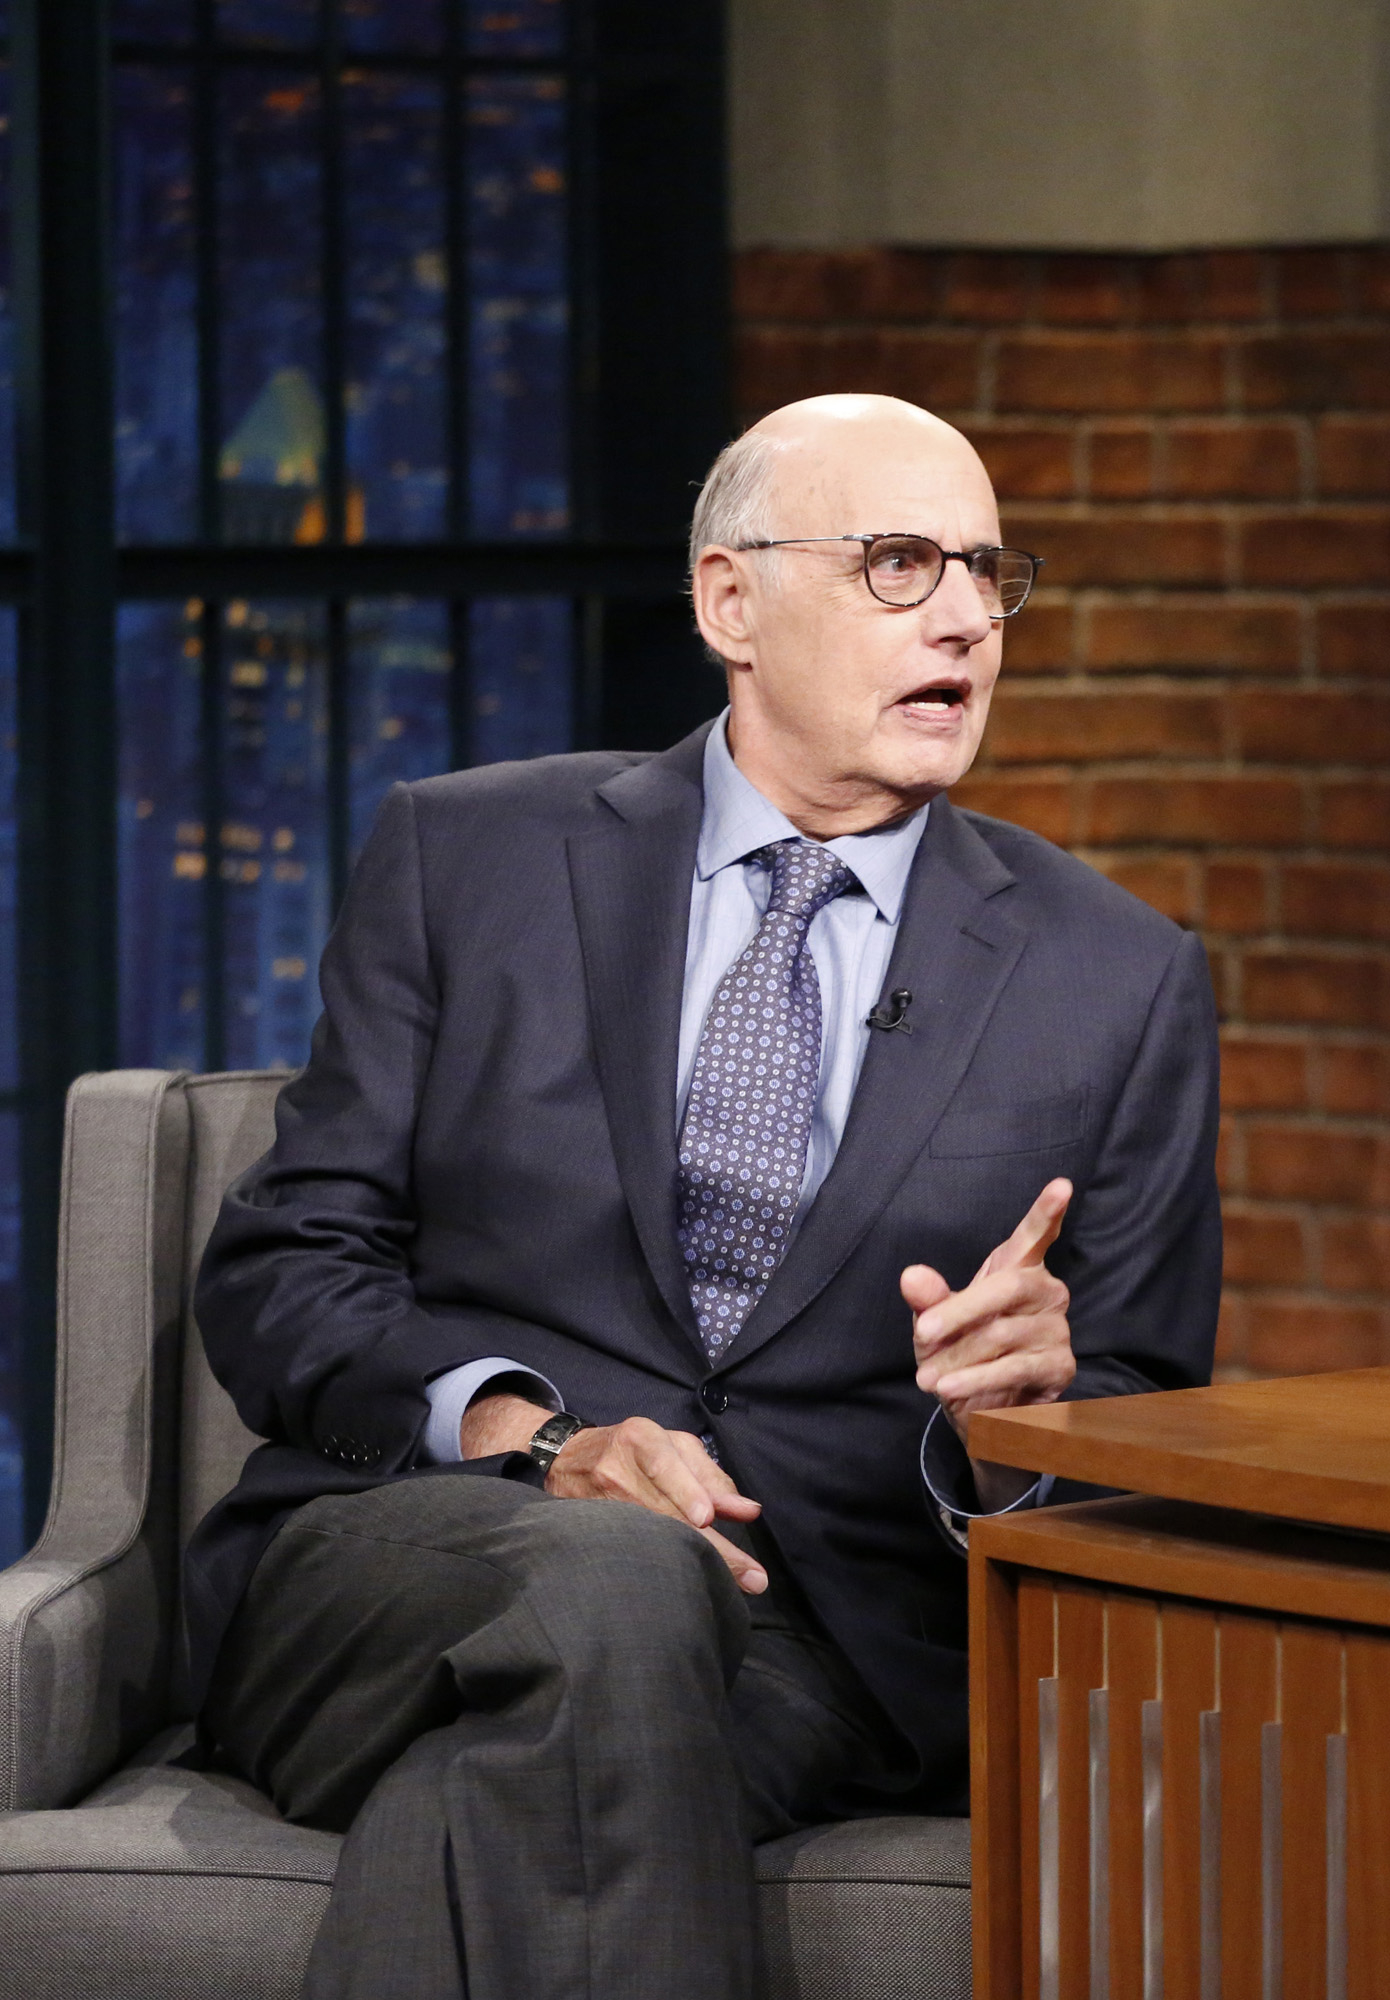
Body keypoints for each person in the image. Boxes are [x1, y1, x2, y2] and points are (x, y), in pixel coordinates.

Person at [181, 392, 1221, 1996]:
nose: (965, 616)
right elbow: (283, 1275)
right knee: (611, 1571)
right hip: (399, 1564)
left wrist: (1036, 1411)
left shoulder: (1118, 979)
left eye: (989, 574)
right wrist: (532, 1434)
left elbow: (1152, 1432)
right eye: (898, 564)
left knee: (520, 1767)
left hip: (813, 1642)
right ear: (733, 602)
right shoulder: (470, 858)